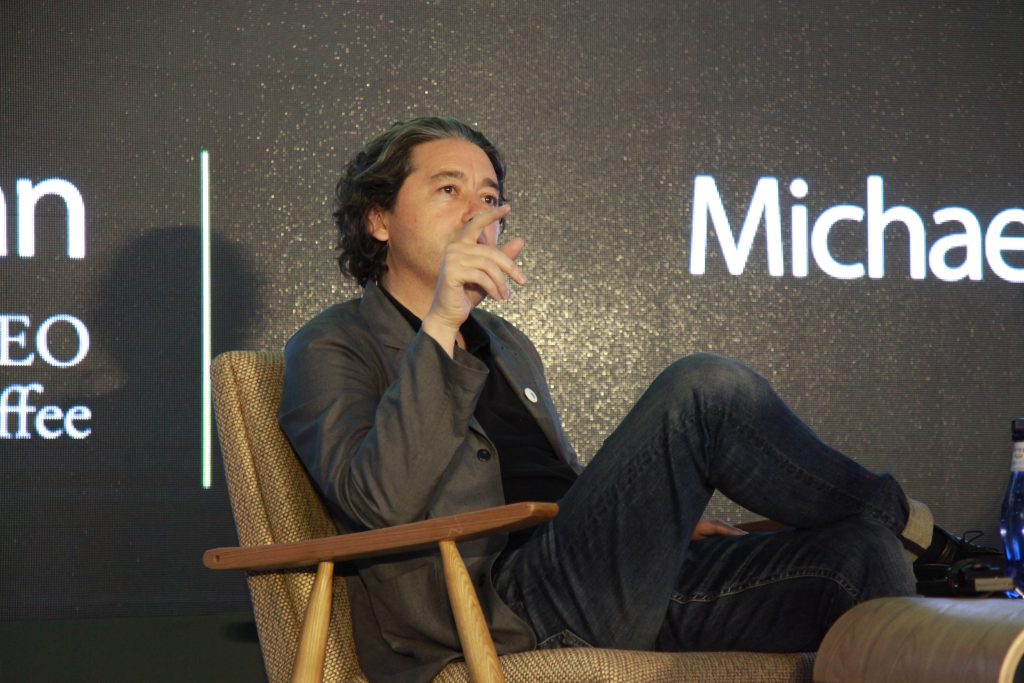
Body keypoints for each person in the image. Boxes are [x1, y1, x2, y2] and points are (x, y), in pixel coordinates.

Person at [279, 116, 990, 683]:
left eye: (490, 197)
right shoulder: (332, 345)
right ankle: (927, 535)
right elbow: (377, 502)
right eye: (448, 189)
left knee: (860, 556)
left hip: (600, 583)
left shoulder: (506, 343)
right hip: (506, 610)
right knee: (705, 389)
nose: (479, 211)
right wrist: (439, 322)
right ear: (378, 219)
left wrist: (656, 517)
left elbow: (551, 484)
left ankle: (899, 536)